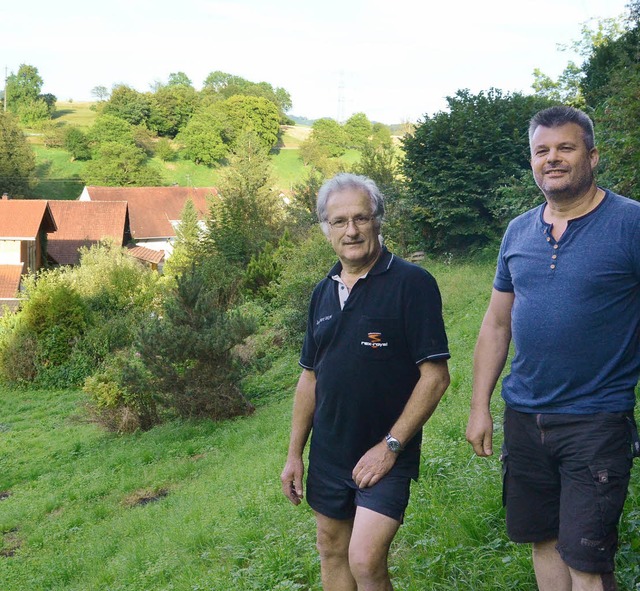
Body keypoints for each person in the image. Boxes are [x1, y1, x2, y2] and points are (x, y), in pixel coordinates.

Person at [466, 105, 640, 591]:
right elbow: (497, 323)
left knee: (586, 559)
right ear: (532, 162)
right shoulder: (519, 231)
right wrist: (480, 407)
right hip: (524, 417)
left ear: (592, 155)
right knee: (543, 540)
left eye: (566, 147)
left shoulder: (631, 223)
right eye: (542, 151)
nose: (553, 159)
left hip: (596, 419)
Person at [280, 173, 450, 590]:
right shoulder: (322, 292)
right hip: (329, 453)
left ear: (378, 220)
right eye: (339, 221)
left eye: (360, 218)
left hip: (386, 450)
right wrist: (294, 455)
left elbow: (436, 376)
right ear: (325, 229)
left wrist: (391, 447)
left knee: (366, 560)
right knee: (332, 550)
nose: (351, 230)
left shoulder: (412, 284)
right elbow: (309, 378)